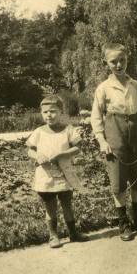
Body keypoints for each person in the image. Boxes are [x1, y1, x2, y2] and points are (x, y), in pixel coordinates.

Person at [91, 43, 137, 241]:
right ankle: (123, 222)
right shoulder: (103, 88)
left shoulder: (135, 86)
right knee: (118, 180)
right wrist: (102, 140)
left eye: (122, 60)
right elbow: (96, 117)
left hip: (136, 135)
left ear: (127, 60)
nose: (118, 65)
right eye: (113, 61)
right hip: (115, 135)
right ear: (106, 63)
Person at [26, 95, 88, 248]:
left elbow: (77, 148)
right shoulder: (39, 132)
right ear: (41, 113)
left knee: (67, 203)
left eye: (53, 111)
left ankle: (73, 233)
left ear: (61, 112)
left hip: (64, 174)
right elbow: (29, 150)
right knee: (50, 206)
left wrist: (62, 154)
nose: (49, 115)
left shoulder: (68, 130)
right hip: (46, 175)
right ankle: (53, 235)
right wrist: (37, 156)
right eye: (45, 112)